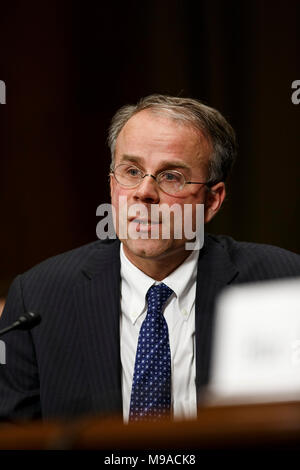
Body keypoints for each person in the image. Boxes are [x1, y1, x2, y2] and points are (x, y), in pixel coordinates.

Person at [0, 94, 299, 422]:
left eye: (171, 176)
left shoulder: (280, 285)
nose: (144, 192)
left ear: (212, 200)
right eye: (131, 171)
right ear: (112, 184)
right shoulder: (39, 297)